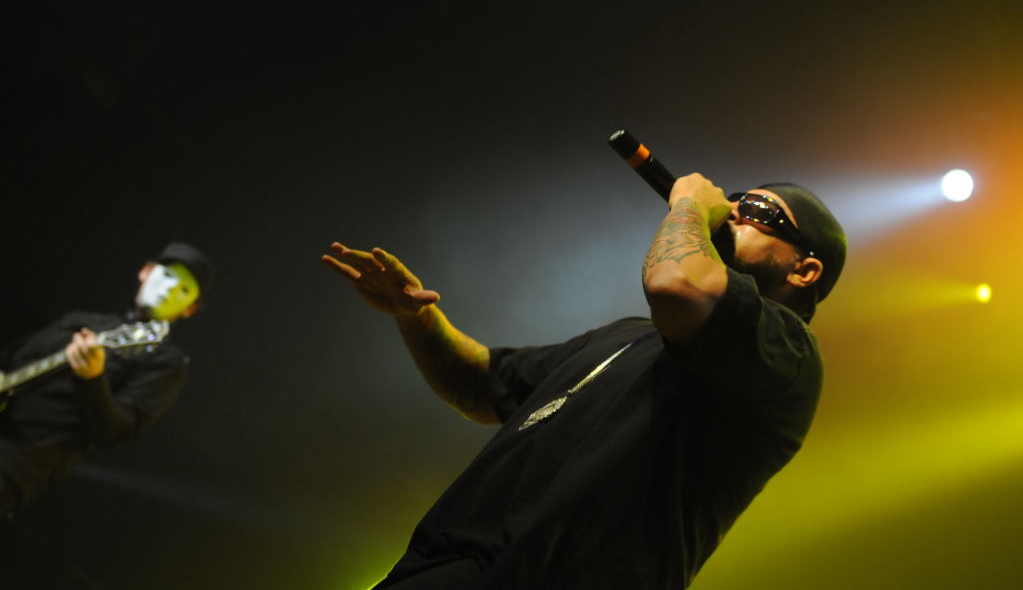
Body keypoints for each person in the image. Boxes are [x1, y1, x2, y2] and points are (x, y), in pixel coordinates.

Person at [322, 174, 846, 589]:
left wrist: (687, 203)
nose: (733, 211)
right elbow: (481, 385)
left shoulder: (785, 354)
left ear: (804, 271)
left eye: (760, 212)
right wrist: (416, 318)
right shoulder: (630, 336)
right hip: (437, 569)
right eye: (736, 201)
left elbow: (675, 283)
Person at [0, 242, 213, 518]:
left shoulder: (165, 361)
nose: (170, 289)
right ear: (146, 271)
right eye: (168, 275)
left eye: (184, 290)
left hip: (18, 460)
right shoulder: (81, 319)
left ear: (189, 310)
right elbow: (12, 358)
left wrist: (92, 379)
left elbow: (113, 431)